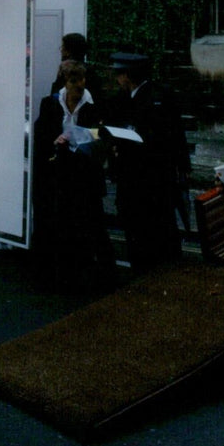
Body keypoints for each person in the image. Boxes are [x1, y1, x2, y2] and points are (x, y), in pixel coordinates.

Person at [32, 61, 116, 292]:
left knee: (92, 220)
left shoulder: (94, 104)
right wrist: (55, 140)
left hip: (85, 170)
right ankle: (62, 273)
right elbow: (41, 132)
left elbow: (103, 135)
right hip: (59, 170)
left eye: (81, 87)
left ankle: (102, 273)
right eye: (74, 87)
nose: (78, 93)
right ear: (65, 84)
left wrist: (87, 136)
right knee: (61, 219)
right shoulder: (50, 103)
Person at [105, 52, 189, 272]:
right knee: (144, 225)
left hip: (149, 175)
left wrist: (182, 168)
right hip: (140, 174)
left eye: (119, 75)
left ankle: (153, 271)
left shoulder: (155, 97)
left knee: (149, 226)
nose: (117, 80)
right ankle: (150, 268)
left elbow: (174, 134)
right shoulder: (126, 98)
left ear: (128, 76)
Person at [50, 33, 104, 108]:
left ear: (69, 51)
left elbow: (55, 99)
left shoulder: (66, 71)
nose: (61, 50)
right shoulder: (92, 73)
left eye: (63, 47)